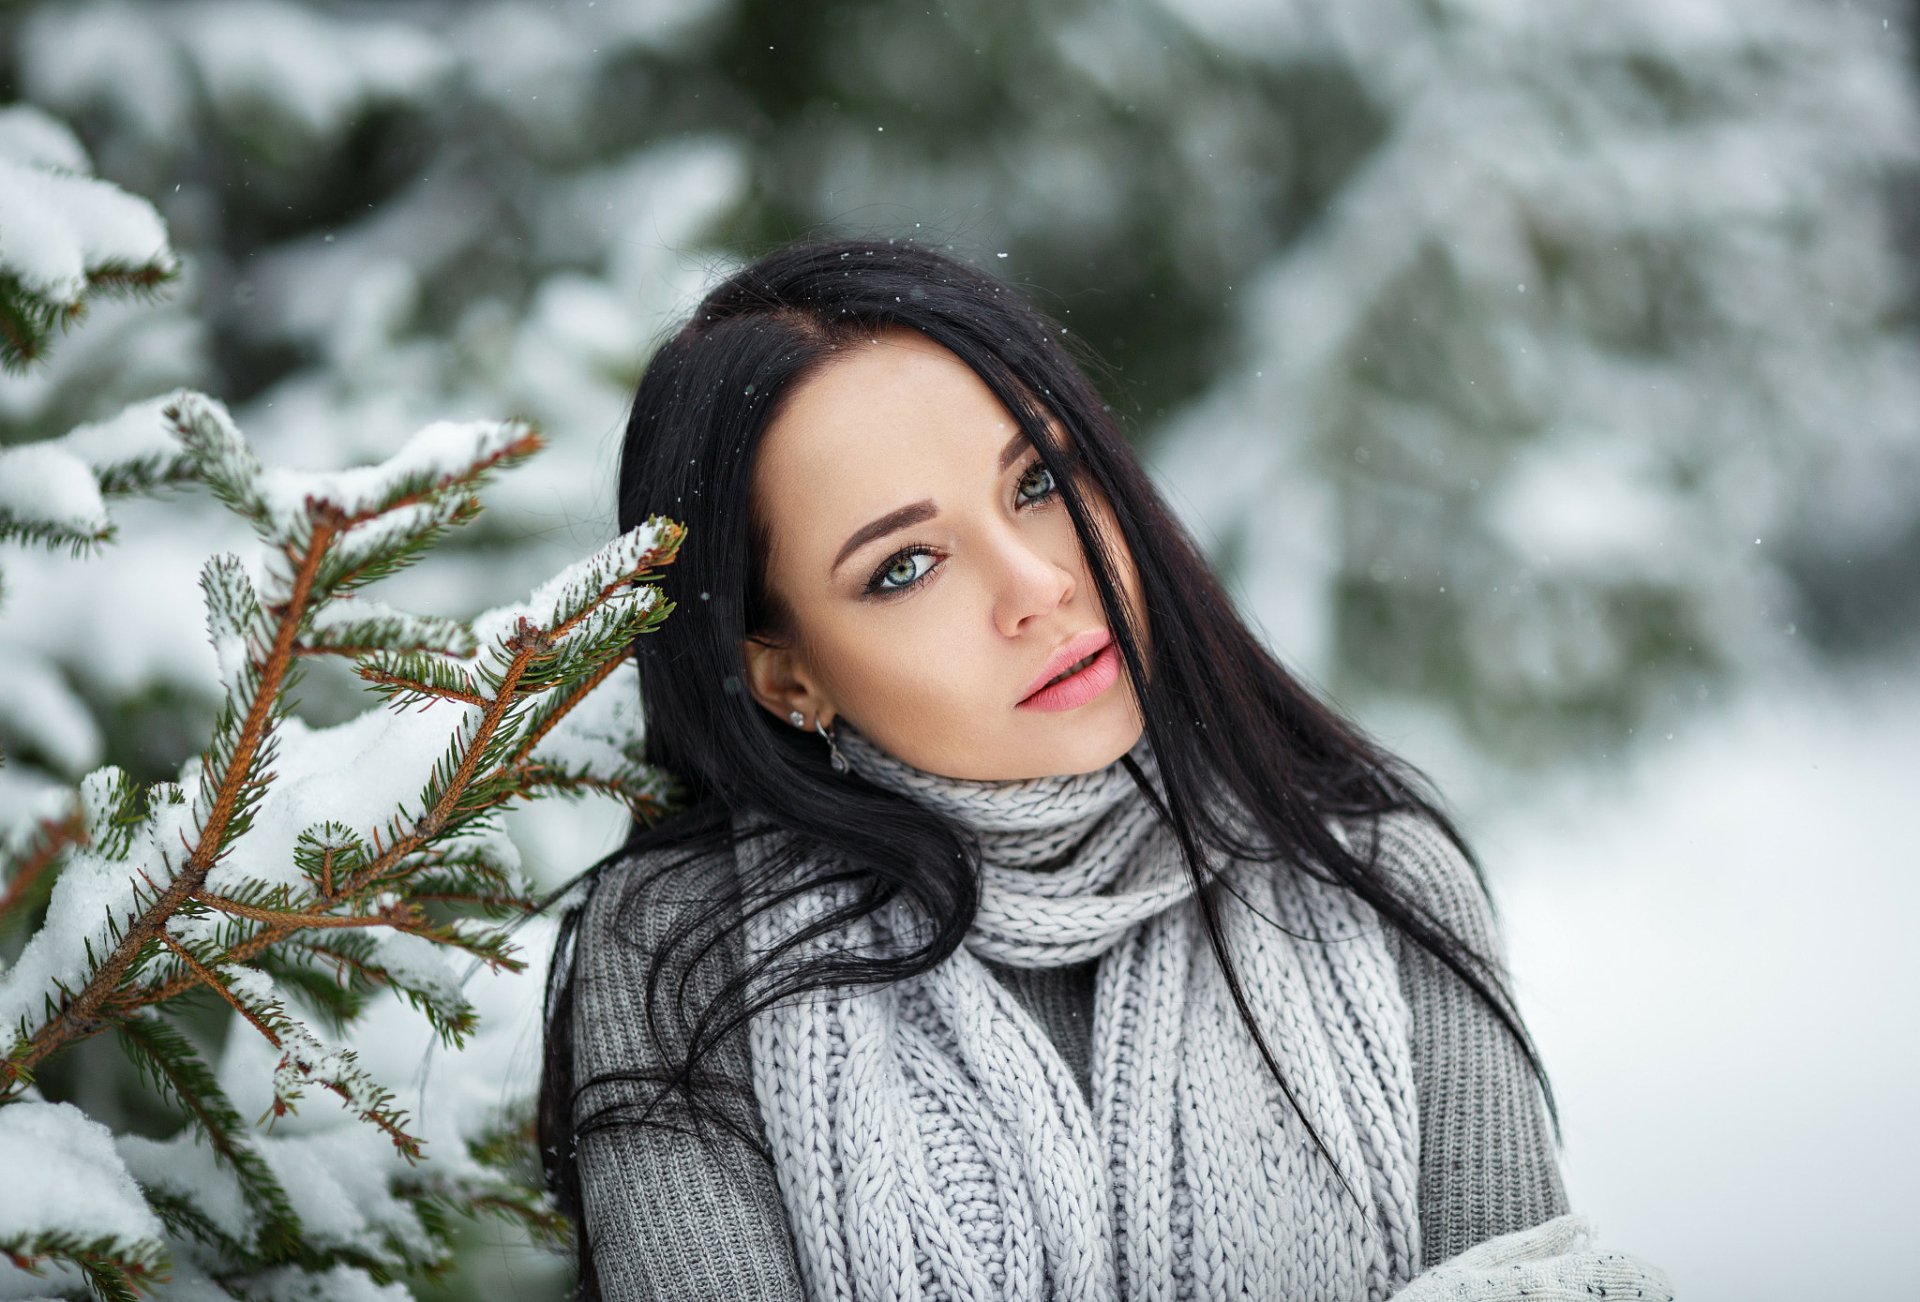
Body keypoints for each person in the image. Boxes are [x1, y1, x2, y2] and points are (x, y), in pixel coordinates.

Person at [536, 239, 1671, 1301]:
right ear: (785, 676)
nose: (1036, 583)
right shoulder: (686, 957)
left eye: (1037, 484)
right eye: (906, 566)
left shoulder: (1372, 873)